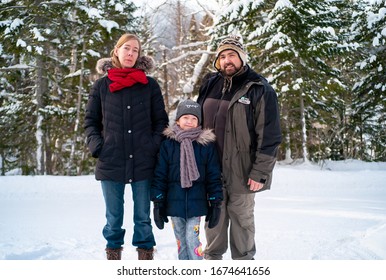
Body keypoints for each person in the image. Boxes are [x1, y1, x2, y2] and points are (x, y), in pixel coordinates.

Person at [196, 35, 282, 260]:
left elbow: (270, 136)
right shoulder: (210, 83)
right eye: (222, 56)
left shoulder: (259, 88)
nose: (227, 60)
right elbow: (195, 121)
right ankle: (212, 264)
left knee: (242, 225)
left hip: (243, 171)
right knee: (213, 223)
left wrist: (260, 172)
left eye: (232, 55)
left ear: (242, 57)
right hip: (211, 169)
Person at [84, 33, 169, 260]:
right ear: (117, 50)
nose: (131, 53)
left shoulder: (149, 85)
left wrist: (152, 146)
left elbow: (161, 121)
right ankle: (113, 256)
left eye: (135, 50)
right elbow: (91, 121)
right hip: (111, 160)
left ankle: (145, 256)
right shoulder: (102, 85)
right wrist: (99, 147)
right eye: (127, 48)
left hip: (143, 160)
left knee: (142, 216)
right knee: (113, 217)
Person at [151, 99, 223, 260]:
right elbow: (160, 175)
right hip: (173, 204)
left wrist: (216, 202)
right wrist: (158, 202)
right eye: (185, 117)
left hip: (196, 204)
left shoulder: (205, 145)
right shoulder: (168, 144)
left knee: (192, 239)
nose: (189, 121)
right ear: (178, 120)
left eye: (194, 118)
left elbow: (213, 175)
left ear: (198, 122)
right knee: (181, 242)